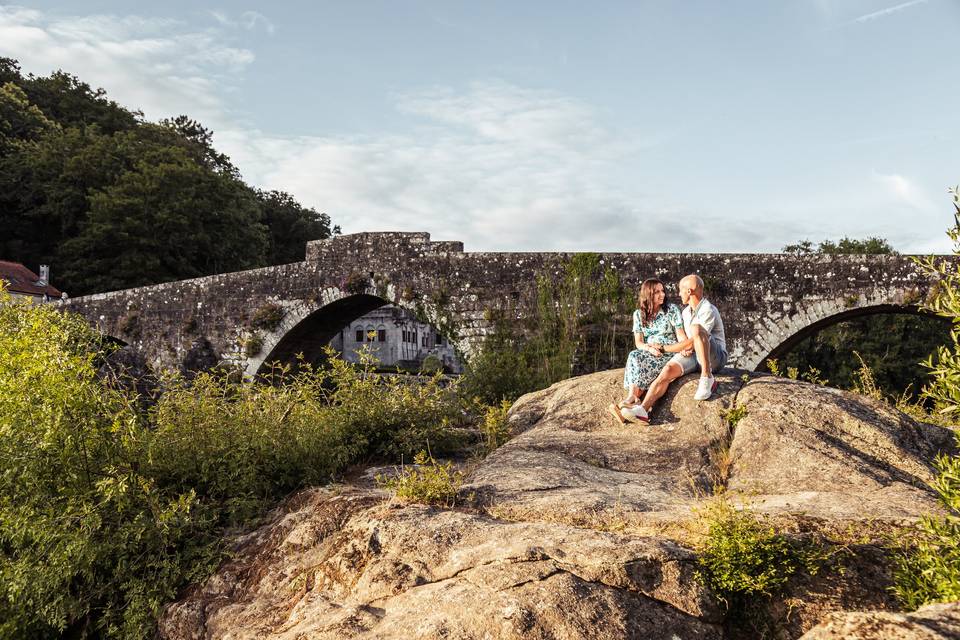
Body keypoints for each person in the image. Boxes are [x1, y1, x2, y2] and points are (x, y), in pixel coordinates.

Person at [622, 274, 727, 424]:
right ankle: (643, 410)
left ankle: (707, 377)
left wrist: (665, 349)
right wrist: (681, 350)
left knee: (697, 329)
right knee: (667, 370)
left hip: (714, 357)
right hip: (693, 355)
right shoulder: (685, 312)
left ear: (689, 291)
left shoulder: (708, 309)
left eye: (680, 290)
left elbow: (693, 340)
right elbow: (683, 339)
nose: (677, 294)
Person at [607, 278, 686, 424]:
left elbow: (680, 333)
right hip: (649, 351)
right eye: (657, 292)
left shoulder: (671, 310)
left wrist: (684, 346)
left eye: (663, 291)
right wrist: (649, 348)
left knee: (639, 361)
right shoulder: (638, 314)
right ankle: (631, 401)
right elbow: (638, 342)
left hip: (667, 351)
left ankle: (629, 401)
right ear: (648, 294)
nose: (662, 294)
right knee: (634, 355)